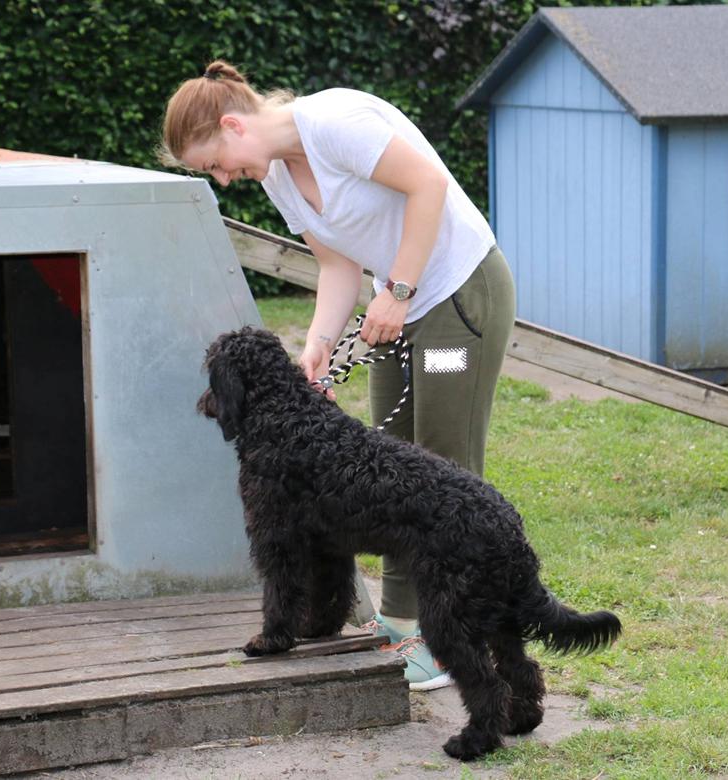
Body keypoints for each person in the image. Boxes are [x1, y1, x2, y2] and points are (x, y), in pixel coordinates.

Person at [160, 60, 515, 691]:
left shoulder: (336, 123)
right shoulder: (279, 177)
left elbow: (429, 185)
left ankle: (452, 637)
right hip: (397, 312)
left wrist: (399, 289)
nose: (224, 177)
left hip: (458, 303)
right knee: (394, 467)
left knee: (444, 465)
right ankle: (403, 624)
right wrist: (320, 345)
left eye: (214, 161)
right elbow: (336, 265)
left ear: (234, 124)